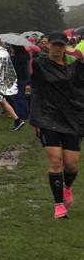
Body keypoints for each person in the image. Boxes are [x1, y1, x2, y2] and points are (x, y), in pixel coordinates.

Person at [29, 31, 84, 220]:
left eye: (61, 45)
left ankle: (67, 187)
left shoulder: (75, 67)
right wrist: (35, 119)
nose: (58, 49)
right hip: (47, 117)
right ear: (48, 45)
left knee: (71, 165)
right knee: (55, 161)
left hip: (72, 119)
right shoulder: (40, 63)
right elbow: (30, 68)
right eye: (55, 45)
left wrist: (74, 52)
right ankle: (59, 204)